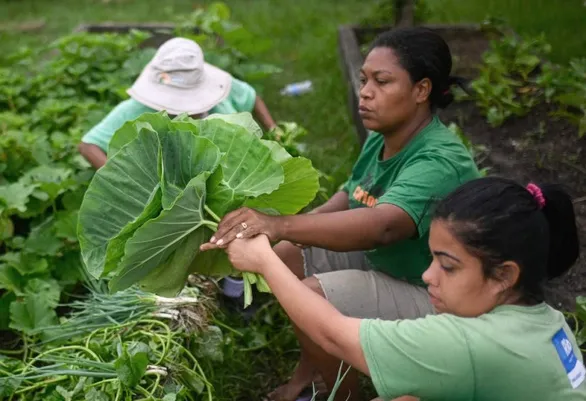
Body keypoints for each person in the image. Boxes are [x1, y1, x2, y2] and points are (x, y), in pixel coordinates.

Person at [201, 27, 480, 400]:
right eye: (364, 79)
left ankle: (342, 395)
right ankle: (312, 372)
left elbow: (383, 226)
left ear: (421, 90)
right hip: (393, 264)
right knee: (284, 256)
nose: (365, 92)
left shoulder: (438, 160)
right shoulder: (386, 136)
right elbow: (352, 194)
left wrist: (280, 223)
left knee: (313, 294)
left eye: (382, 82)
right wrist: (284, 233)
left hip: (437, 294)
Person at [223, 177, 584, 401]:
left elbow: (333, 336)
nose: (428, 276)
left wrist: (264, 260)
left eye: (448, 266)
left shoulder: (469, 345)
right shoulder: (546, 321)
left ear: (504, 276)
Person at [78, 37, 276, 169]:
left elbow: (252, 97)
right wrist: (120, 180)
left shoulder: (224, 90)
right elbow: (88, 146)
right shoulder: (138, 110)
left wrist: (274, 130)